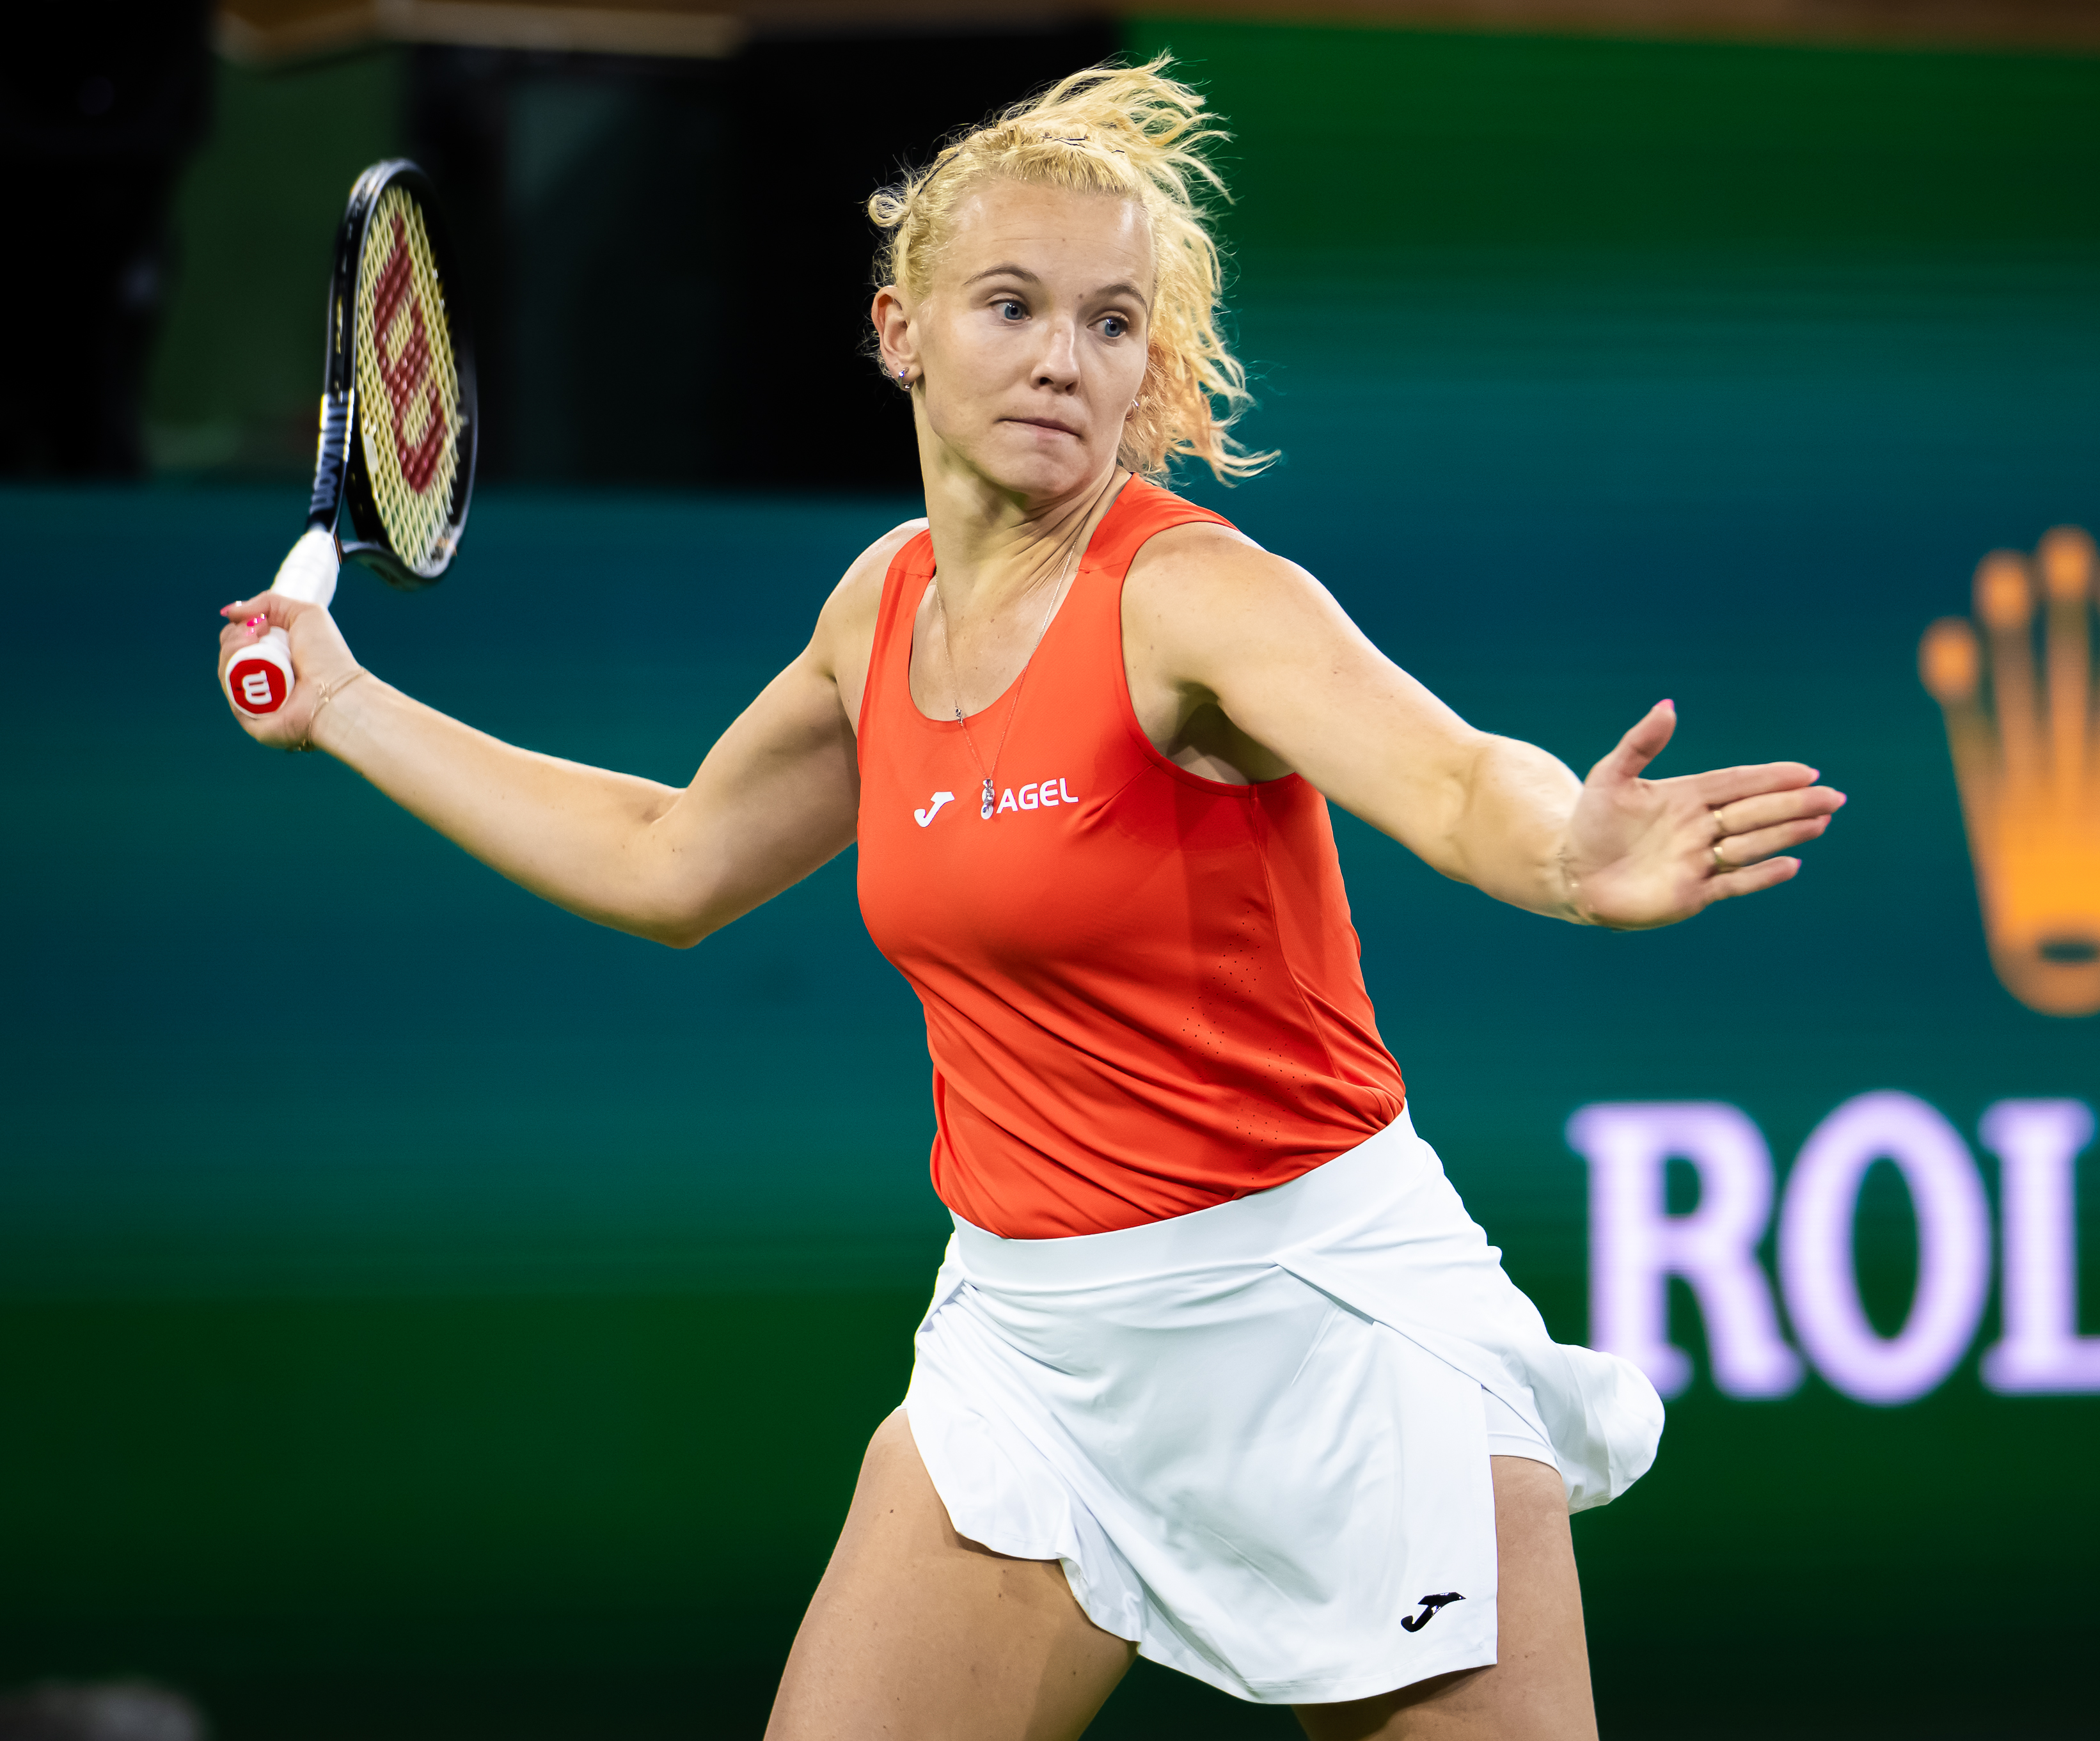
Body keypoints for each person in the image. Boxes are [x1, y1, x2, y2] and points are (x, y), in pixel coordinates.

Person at [215, 58, 1842, 1741]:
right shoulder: (879, 611)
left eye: (1111, 323)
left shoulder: (1191, 595)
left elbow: (1449, 777)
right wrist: (346, 705)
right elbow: (668, 859)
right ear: (900, 330)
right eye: (1011, 305)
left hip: (1319, 1326)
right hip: (1032, 1354)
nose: (1065, 358)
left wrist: (1567, 853)